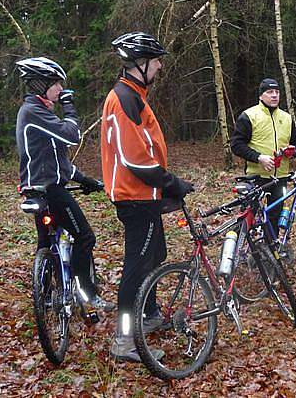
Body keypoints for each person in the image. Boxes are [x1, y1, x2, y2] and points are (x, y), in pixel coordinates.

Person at [101, 32, 193, 362]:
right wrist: (171, 183)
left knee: (156, 254)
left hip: (144, 196)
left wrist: (165, 185)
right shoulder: (124, 98)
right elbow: (135, 159)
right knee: (137, 268)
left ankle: (150, 313)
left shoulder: (134, 95)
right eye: (155, 61)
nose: (159, 66)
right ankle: (124, 338)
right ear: (140, 64)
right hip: (136, 197)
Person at [15, 56, 112, 311]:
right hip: (50, 190)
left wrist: (85, 180)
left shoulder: (37, 113)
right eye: (57, 84)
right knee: (85, 237)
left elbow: (58, 162)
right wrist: (69, 108)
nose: (61, 89)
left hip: (37, 188)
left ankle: (46, 295)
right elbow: (72, 135)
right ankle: (87, 294)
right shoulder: (33, 111)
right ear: (41, 85)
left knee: (46, 243)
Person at [230, 78, 296, 236]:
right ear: (261, 96)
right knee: (249, 214)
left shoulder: (287, 118)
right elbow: (236, 145)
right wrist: (259, 157)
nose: (274, 95)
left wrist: (292, 151)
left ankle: (271, 253)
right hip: (256, 177)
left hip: (280, 177)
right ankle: (240, 250)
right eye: (270, 92)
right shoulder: (249, 116)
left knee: (274, 217)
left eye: (277, 92)